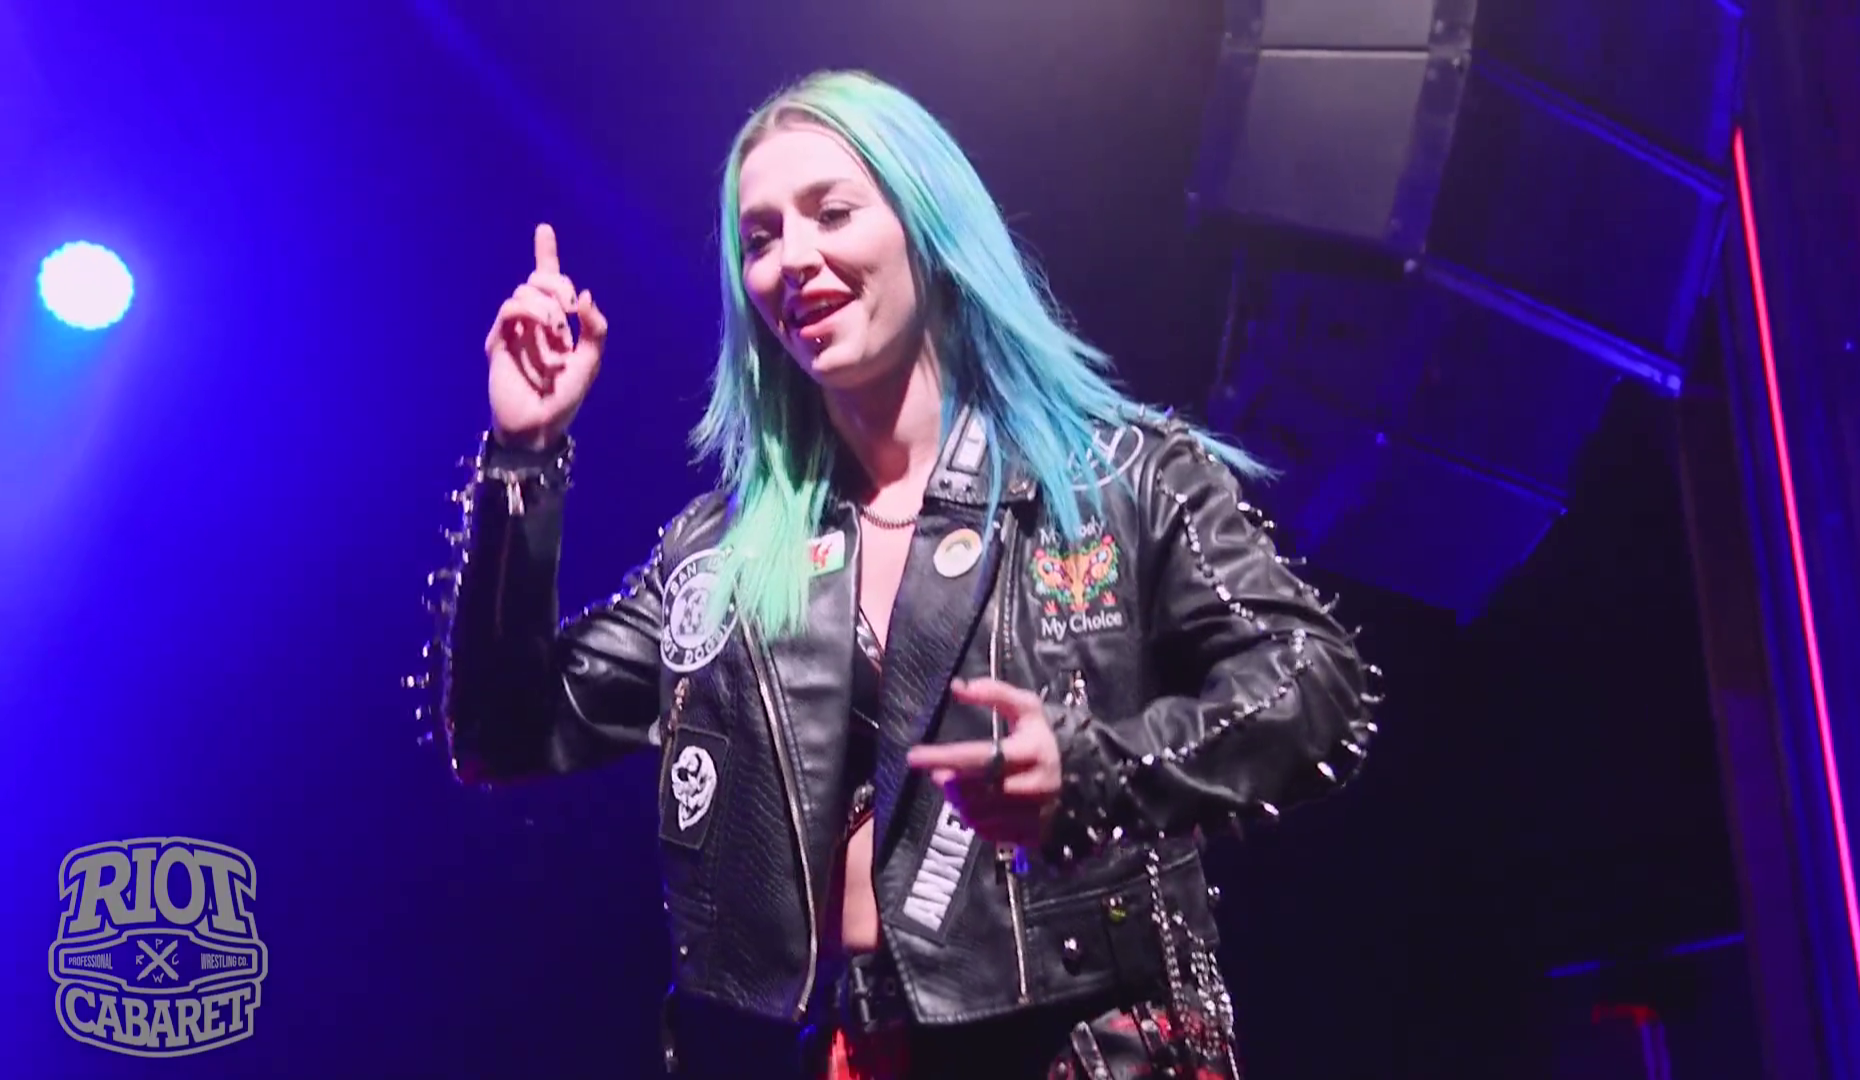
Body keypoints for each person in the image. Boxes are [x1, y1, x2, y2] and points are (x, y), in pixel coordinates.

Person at [419, 69, 1380, 1079]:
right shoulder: (722, 557)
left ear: (928, 228)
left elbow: (1317, 684)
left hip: (1081, 1050)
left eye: (832, 212)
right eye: (759, 238)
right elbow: (502, 731)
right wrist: (524, 457)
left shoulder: (1118, 479)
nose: (794, 258)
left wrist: (1100, 771)